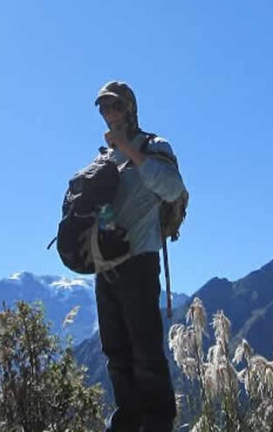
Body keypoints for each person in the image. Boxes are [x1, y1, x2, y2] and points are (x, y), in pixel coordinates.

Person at [93, 81, 186, 432]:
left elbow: (173, 188)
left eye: (114, 107)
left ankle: (159, 423)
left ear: (130, 108)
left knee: (146, 351)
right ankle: (128, 422)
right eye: (104, 109)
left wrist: (131, 152)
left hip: (141, 260)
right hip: (107, 265)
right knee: (116, 353)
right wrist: (105, 227)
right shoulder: (102, 158)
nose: (109, 115)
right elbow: (103, 205)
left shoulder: (154, 145)